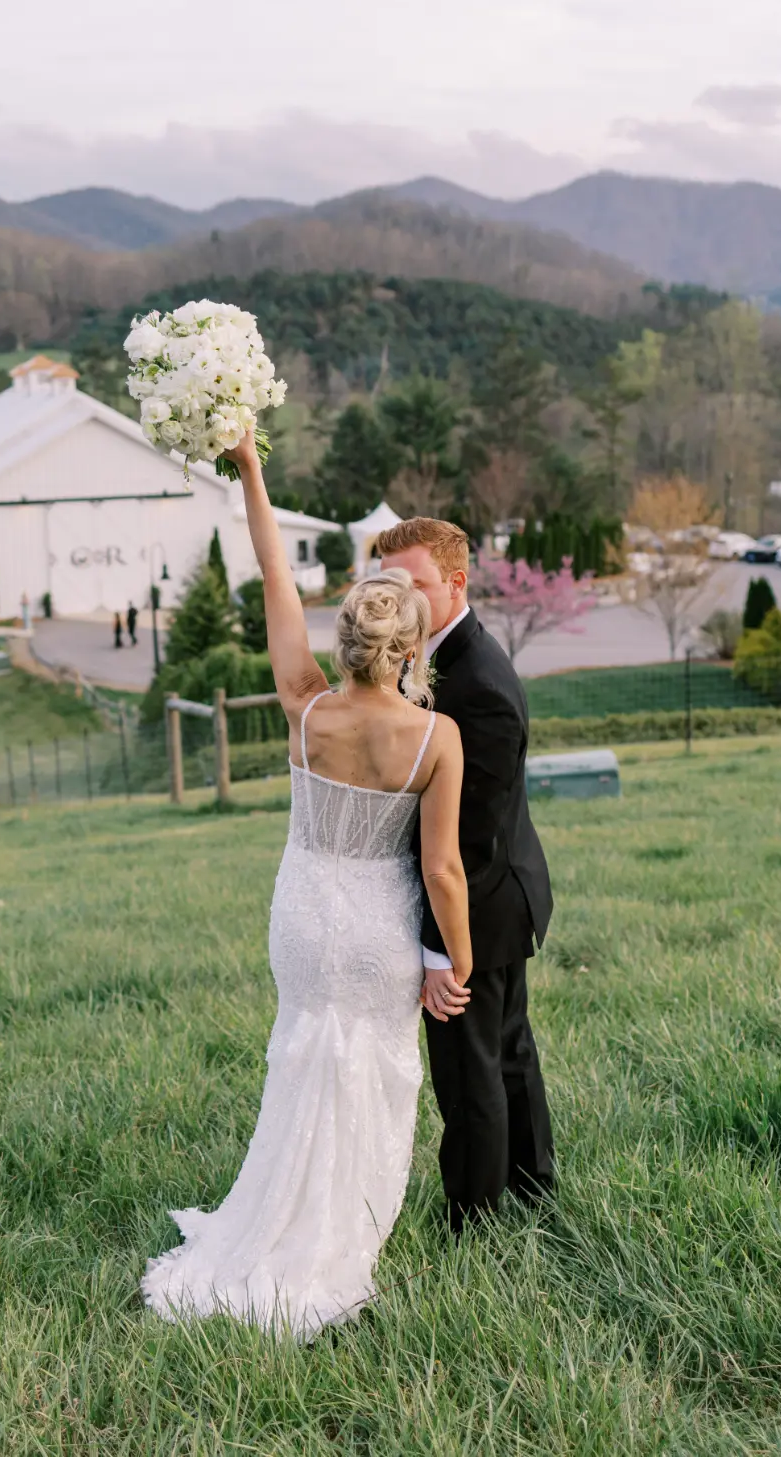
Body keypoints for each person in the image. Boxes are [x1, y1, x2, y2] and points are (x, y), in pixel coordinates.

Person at [142, 431, 470, 1340]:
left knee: (301, 1059)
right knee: (368, 1072)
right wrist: (459, 964)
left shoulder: (307, 704)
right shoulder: (434, 737)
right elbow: (441, 869)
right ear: (409, 646)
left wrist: (251, 469)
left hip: (300, 914)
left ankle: (271, 1222)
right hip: (375, 927)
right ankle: (335, 1237)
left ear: (349, 638)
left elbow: (273, 575)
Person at [379, 516, 555, 1235]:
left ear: (456, 582)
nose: (401, 600)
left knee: (470, 1066)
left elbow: (462, 848)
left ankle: (475, 1221)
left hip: (480, 901)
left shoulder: (477, 682)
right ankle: (532, 1184)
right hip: (503, 888)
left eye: (414, 585)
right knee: (508, 1049)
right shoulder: (438, 658)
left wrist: (439, 952)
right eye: (388, 585)